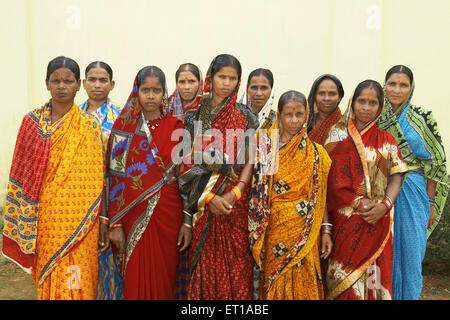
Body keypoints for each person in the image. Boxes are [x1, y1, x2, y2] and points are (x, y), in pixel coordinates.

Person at [2, 56, 104, 300]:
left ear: (78, 85)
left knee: (77, 280)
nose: (61, 86)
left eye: (67, 81)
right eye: (55, 81)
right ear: (46, 83)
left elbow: (96, 180)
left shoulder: (89, 126)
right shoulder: (31, 123)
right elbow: (21, 171)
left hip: (82, 224)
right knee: (50, 278)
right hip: (45, 221)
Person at [178, 54, 258, 299]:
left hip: (235, 207)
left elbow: (250, 159)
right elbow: (184, 166)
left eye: (232, 78)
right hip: (204, 205)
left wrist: (236, 192)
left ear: (238, 81)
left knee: (237, 269)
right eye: (221, 77)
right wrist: (209, 197)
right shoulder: (193, 117)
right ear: (210, 79)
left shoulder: (246, 116)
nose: (226, 83)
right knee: (204, 270)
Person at [106, 66, 191, 300]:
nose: (151, 96)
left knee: (164, 277)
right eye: (146, 90)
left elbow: (186, 179)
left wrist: (187, 221)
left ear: (164, 93)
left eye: (157, 90)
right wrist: (115, 224)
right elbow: (115, 178)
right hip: (133, 214)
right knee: (135, 278)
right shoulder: (123, 129)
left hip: (168, 213)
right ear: (137, 92)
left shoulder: (176, 127)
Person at [324, 80, 409, 300]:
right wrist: (357, 202)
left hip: (378, 221)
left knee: (376, 280)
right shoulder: (337, 136)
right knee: (343, 279)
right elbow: (328, 180)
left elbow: (396, 177)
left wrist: (385, 205)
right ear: (353, 102)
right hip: (345, 221)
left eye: (373, 103)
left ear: (380, 107)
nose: (366, 107)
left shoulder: (386, 140)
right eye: (361, 101)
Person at [249, 90, 332, 300]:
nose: (294, 120)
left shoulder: (316, 153)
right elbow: (259, 191)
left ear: (307, 115)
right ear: (279, 114)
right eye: (288, 114)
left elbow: (320, 197)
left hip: (305, 231)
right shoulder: (267, 145)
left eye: (299, 114)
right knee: (275, 280)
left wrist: (326, 230)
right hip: (274, 230)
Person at [377, 65, 449, 300]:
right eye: (392, 84)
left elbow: (436, 163)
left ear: (411, 88)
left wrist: (429, 201)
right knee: (381, 252)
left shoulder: (422, 117)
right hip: (379, 191)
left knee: (411, 252)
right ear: (384, 85)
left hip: (414, 192)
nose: (397, 90)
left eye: (403, 85)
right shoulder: (374, 113)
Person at [79, 61, 123, 300]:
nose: (97, 85)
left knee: (113, 269)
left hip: (113, 199)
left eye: (103, 80)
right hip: (79, 204)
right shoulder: (72, 118)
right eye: (92, 80)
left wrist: (111, 218)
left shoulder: (121, 118)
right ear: (83, 84)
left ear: (112, 84)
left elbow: (122, 171)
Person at [168, 63, 204, 300]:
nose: (187, 87)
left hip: (201, 192)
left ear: (200, 84)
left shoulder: (208, 111)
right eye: (182, 81)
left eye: (192, 81)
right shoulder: (165, 109)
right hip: (170, 192)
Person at [306, 74, 344, 145]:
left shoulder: (345, 127)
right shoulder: (304, 123)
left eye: (332, 94)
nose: (326, 98)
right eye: (321, 93)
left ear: (340, 97)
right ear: (314, 96)